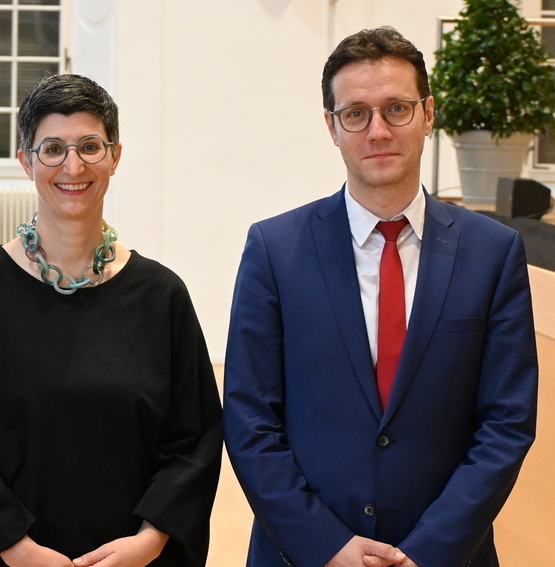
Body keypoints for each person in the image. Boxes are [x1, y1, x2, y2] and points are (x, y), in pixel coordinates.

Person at [223, 26, 538, 567]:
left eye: (396, 108)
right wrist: (326, 546)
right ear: (332, 126)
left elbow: (507, 424)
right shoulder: (274, 250)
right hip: (302, 554)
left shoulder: (494, 252)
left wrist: (428, 552)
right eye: (355, 113)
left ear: (428, 113)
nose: (377, 131)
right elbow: (249, 417)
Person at [0, 74, 223, 567]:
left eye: (89, 146)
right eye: (53, 148)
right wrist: (17, 549)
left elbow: (194, 439)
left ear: (115, 157)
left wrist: (149, 539)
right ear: (26, 161)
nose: (73, 166)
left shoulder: (161, 296)